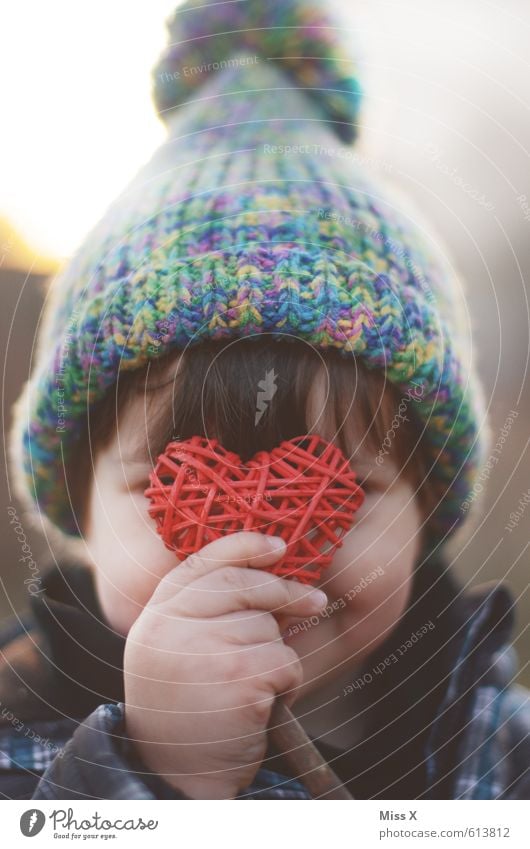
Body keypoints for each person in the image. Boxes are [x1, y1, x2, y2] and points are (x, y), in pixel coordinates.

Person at [2, 0, 528, 800]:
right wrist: (154, 775)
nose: (256, 539)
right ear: (79, 506)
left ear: (429, 509)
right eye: (171, 481)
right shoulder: (22, 741)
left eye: (339, 485)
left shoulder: (502, 747)